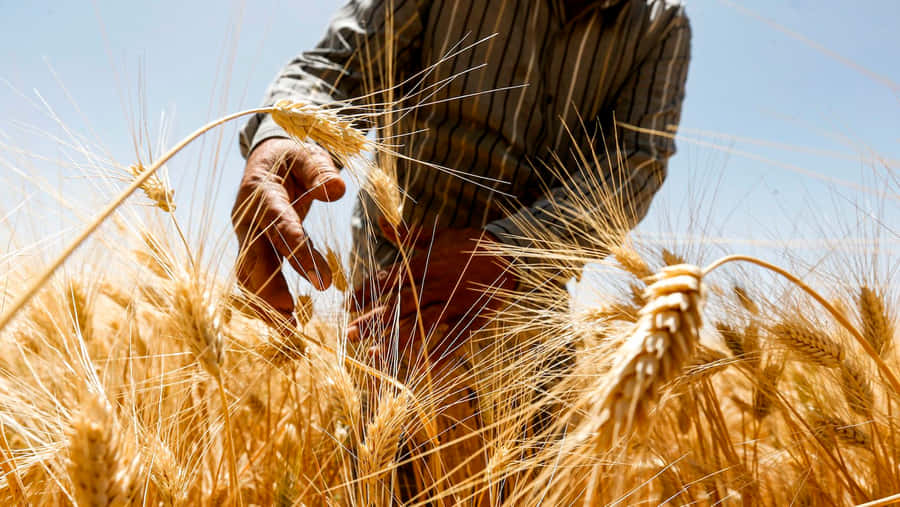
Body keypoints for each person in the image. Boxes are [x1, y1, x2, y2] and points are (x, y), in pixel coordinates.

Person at [233, 0, 691, 364]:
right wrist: (284, 137)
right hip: (393, 290)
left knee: (531, 476)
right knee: (385, 473)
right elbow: (343, 63)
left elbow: (633, 168)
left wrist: (507, 252)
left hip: (530, 307)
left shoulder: (661, 25)